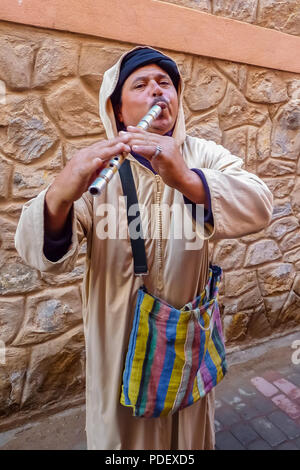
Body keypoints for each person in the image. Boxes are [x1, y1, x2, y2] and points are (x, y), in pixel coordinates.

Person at [15, 46, 273, 450]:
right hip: (119, 341)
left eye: (165, 84)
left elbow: (260, 203)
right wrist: (59, 195)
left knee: (186, 440)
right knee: (124, 443)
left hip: (186, 342)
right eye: (141, 84)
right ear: (118, 110)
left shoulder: (202, 155)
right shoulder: (98, 167)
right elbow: (40, 257)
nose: (157, 92)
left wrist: (186, 178)